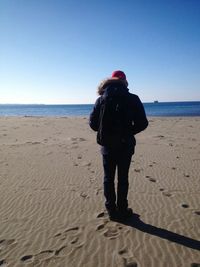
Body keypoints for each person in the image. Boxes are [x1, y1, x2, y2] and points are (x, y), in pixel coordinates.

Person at [89, 70, 148, 220]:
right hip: (125, 145)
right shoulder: (132, 98)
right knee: (123, 178)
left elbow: (93, 124)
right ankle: (122, 209)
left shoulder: (101, 99)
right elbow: (143, 123)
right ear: (125, 82)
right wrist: (128, 132)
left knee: (108, 178)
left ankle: (111, 211)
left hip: (107, 146)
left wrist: (105, 132)